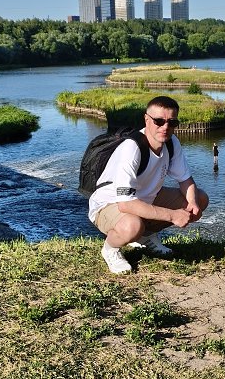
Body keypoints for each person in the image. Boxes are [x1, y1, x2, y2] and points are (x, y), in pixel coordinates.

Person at [88, 95, 209, 274]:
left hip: (145, 198)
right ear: (146, 119)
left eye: (172, 122)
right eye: (159, 121)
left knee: (201, 197)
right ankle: (110, 249)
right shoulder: (131, 148)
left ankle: (145, 237)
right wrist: (172, 215)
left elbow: (185, 179)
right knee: (132, 226)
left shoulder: (171, 143)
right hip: (109, 204)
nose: (165, 127)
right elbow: (126, 204)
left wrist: (192, 203)